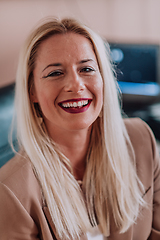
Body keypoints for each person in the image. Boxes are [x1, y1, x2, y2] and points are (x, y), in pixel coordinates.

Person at [0, 17, 160, 240]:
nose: (76, 85)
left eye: (86, 68)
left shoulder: (142, 140)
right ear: (32, 91)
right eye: (55, 73)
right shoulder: (10, 192)